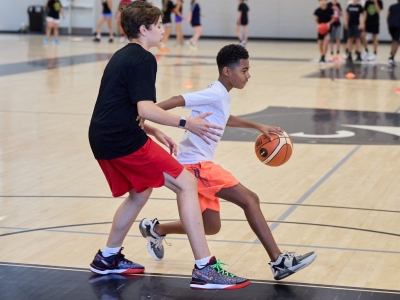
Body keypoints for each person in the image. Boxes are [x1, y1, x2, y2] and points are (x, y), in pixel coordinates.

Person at [88, 1, 250, 291]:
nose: (163, 30)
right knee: (186, 183)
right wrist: (187, 124)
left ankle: (108, 257)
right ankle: (205, 268)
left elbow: (120, 107)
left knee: (140, 192)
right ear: (144, 29)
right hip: (122, 139)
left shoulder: (122, 56)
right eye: (160, 25)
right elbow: (146, 108)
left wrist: (150, 130)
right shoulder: (143, 59)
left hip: (103, 137)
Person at [139, 44, 318, 281]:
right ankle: (279, 261)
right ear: (227, 71)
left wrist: (257, 126)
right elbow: (176, 99)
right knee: (250, 199)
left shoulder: (220, 94)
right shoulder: (213, 93)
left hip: (197, 164)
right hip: (195, 165)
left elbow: (224, 117)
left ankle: (155, 229)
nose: (248, 75)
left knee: (211, 226)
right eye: (244, 70)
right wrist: (144, 114)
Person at [388, 0, 400, 66]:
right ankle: (392, 57)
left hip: (391, 25)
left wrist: (388, 26)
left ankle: (391, 54)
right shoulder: (392, 6)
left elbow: (388, 16)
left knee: (394, 40)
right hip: (397, 26)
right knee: (396, 41)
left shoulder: (392, 6)